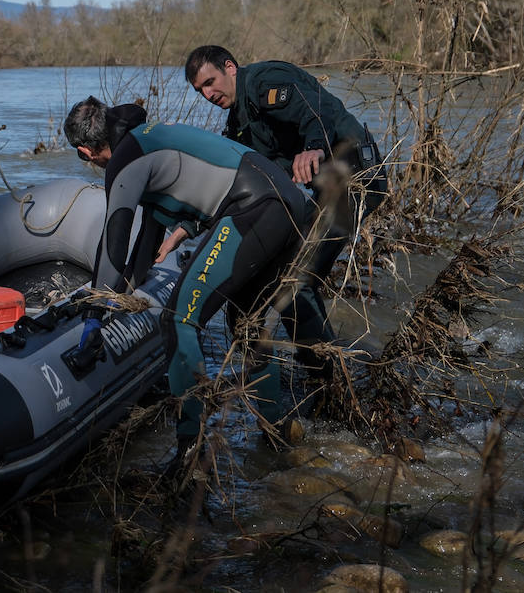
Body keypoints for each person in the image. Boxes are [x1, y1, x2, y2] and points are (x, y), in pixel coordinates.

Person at [63, 97, 332, 458]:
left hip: (254, 206)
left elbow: (113, 245)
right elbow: (145, 245)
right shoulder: (145, 138)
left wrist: (93, 319)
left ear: (86, 150)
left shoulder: (126, 160)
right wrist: (122, 296)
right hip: (287, 201)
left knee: (179, 320)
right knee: (247, 322)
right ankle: (276, 431)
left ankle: (190, 450)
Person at [184, 45, 387, 292]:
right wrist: (189, 227)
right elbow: (239, 180)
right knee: (275, 267)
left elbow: (314, 109)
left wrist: (315, 147)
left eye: (210, 82)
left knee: (299, 279)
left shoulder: (266, 81)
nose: (208, 94)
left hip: (357, 177)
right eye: (200, 90)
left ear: (230, 67)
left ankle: (312, 322)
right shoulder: (238, 122)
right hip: (326, 189)